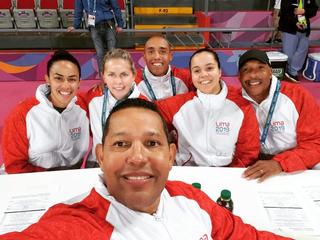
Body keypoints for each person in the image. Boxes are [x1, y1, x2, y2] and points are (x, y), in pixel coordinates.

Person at [0, 98, 292, 239]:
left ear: (171, 155)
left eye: (152, 143)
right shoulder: (78, 224)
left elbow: (245, 237)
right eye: (121, 144)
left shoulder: (191, 199)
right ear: (99, 155)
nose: (138, 157)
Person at [156, 48, 260, 167]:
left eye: (209, 68)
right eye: (197, 71)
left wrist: (230, 177)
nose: (203, 75)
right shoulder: (177, 106)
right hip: (187, 173)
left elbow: (248, 153)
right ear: (192, 75)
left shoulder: (242, 107)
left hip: (228, 175)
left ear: (220, 71)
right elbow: (143, 112)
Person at [1, 50, 90, 174]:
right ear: (47, 79)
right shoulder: (23, 113)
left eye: (72, 79)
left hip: (69, 179)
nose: (66, 85)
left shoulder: (85, 107)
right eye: (58, 78)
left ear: (79, 82)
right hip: (28, 180)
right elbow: (14, 165)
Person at [238, 49, 320, 182]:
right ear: (239, 77)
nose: (253, 74)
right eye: (246, 70)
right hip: (253, 164)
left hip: (293, 160)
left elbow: (316, 142)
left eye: (260, 68)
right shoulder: (235, 100)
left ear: (270, 72)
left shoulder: (297, 95)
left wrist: (281, 163)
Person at [85, 48, 145, 167]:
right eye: (111, 75)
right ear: (104, 77)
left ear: (133, 75)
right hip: (97, 163)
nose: (118, 81)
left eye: (124, 74)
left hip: (130, 164)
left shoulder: (145, 105)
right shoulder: (92, 98)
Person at [68, 0, 124, 75]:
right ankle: (103, 77)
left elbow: (116, 7)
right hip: (94, 26)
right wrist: (75, 25)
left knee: (112, 52)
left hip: (108, 23)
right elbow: (78, 10)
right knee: (99, 53)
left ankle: (114, 75)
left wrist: (120, 24)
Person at [135, 35, 193, 101]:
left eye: (162, 52)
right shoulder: (133, 80)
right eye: (151, 52)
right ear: (144, 56)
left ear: (170, 56)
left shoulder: (186, 77)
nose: (157, 57)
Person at [278, 0, 318, 82]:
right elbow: (284, 13)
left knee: (302, 51)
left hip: (304, 28)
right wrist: (295, 22)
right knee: (289, 52)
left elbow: (314, 10)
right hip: (290, 29)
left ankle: (292, 71)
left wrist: (304, 11)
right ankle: (290, 72)